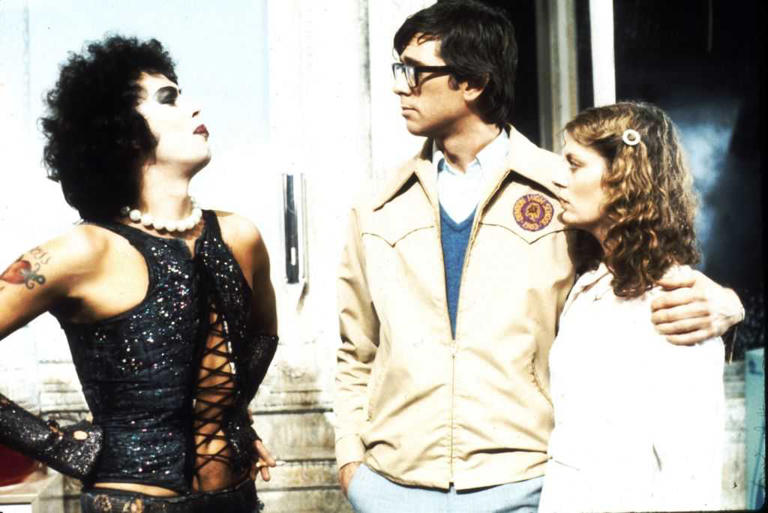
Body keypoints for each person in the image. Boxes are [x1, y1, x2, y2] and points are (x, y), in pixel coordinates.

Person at [333, 1, 744, 511]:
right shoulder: (373, 206)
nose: (400, 86)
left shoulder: (568, 192)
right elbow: (356, 352)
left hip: (524, 489)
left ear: (473, 82)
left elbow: (643, 270)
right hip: (391, 488)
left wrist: (728, 304)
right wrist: (351, 464)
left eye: (415, 72)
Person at [0, 36, 278, 513]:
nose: (193, 107)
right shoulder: (83, 251)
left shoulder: (241, 236)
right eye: (169, 98)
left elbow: (262, 336)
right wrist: (61, 446)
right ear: (123, 133)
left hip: (237, 500)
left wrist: (227, 413)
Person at [538, 102, 725, 513]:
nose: (558, 178)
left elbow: (690, 473)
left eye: (574, 164)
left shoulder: (674, 302)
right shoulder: (588, 285)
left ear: (621, 177)